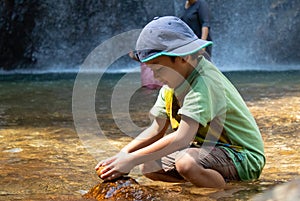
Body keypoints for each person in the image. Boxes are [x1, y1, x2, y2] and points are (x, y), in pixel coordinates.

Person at [95, 16, 265, 188]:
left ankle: (225, 193)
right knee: (148, 166)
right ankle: (203, 182)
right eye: (152, 70)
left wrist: (130, 160)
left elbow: (182, 139)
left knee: (186, 163)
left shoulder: (204, 83)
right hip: (208, 151)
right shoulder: (173, 82)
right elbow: (156, 128)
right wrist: (123, 155)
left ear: (184, 57)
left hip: (242, 155)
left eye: (159, 69)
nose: (155, 77)